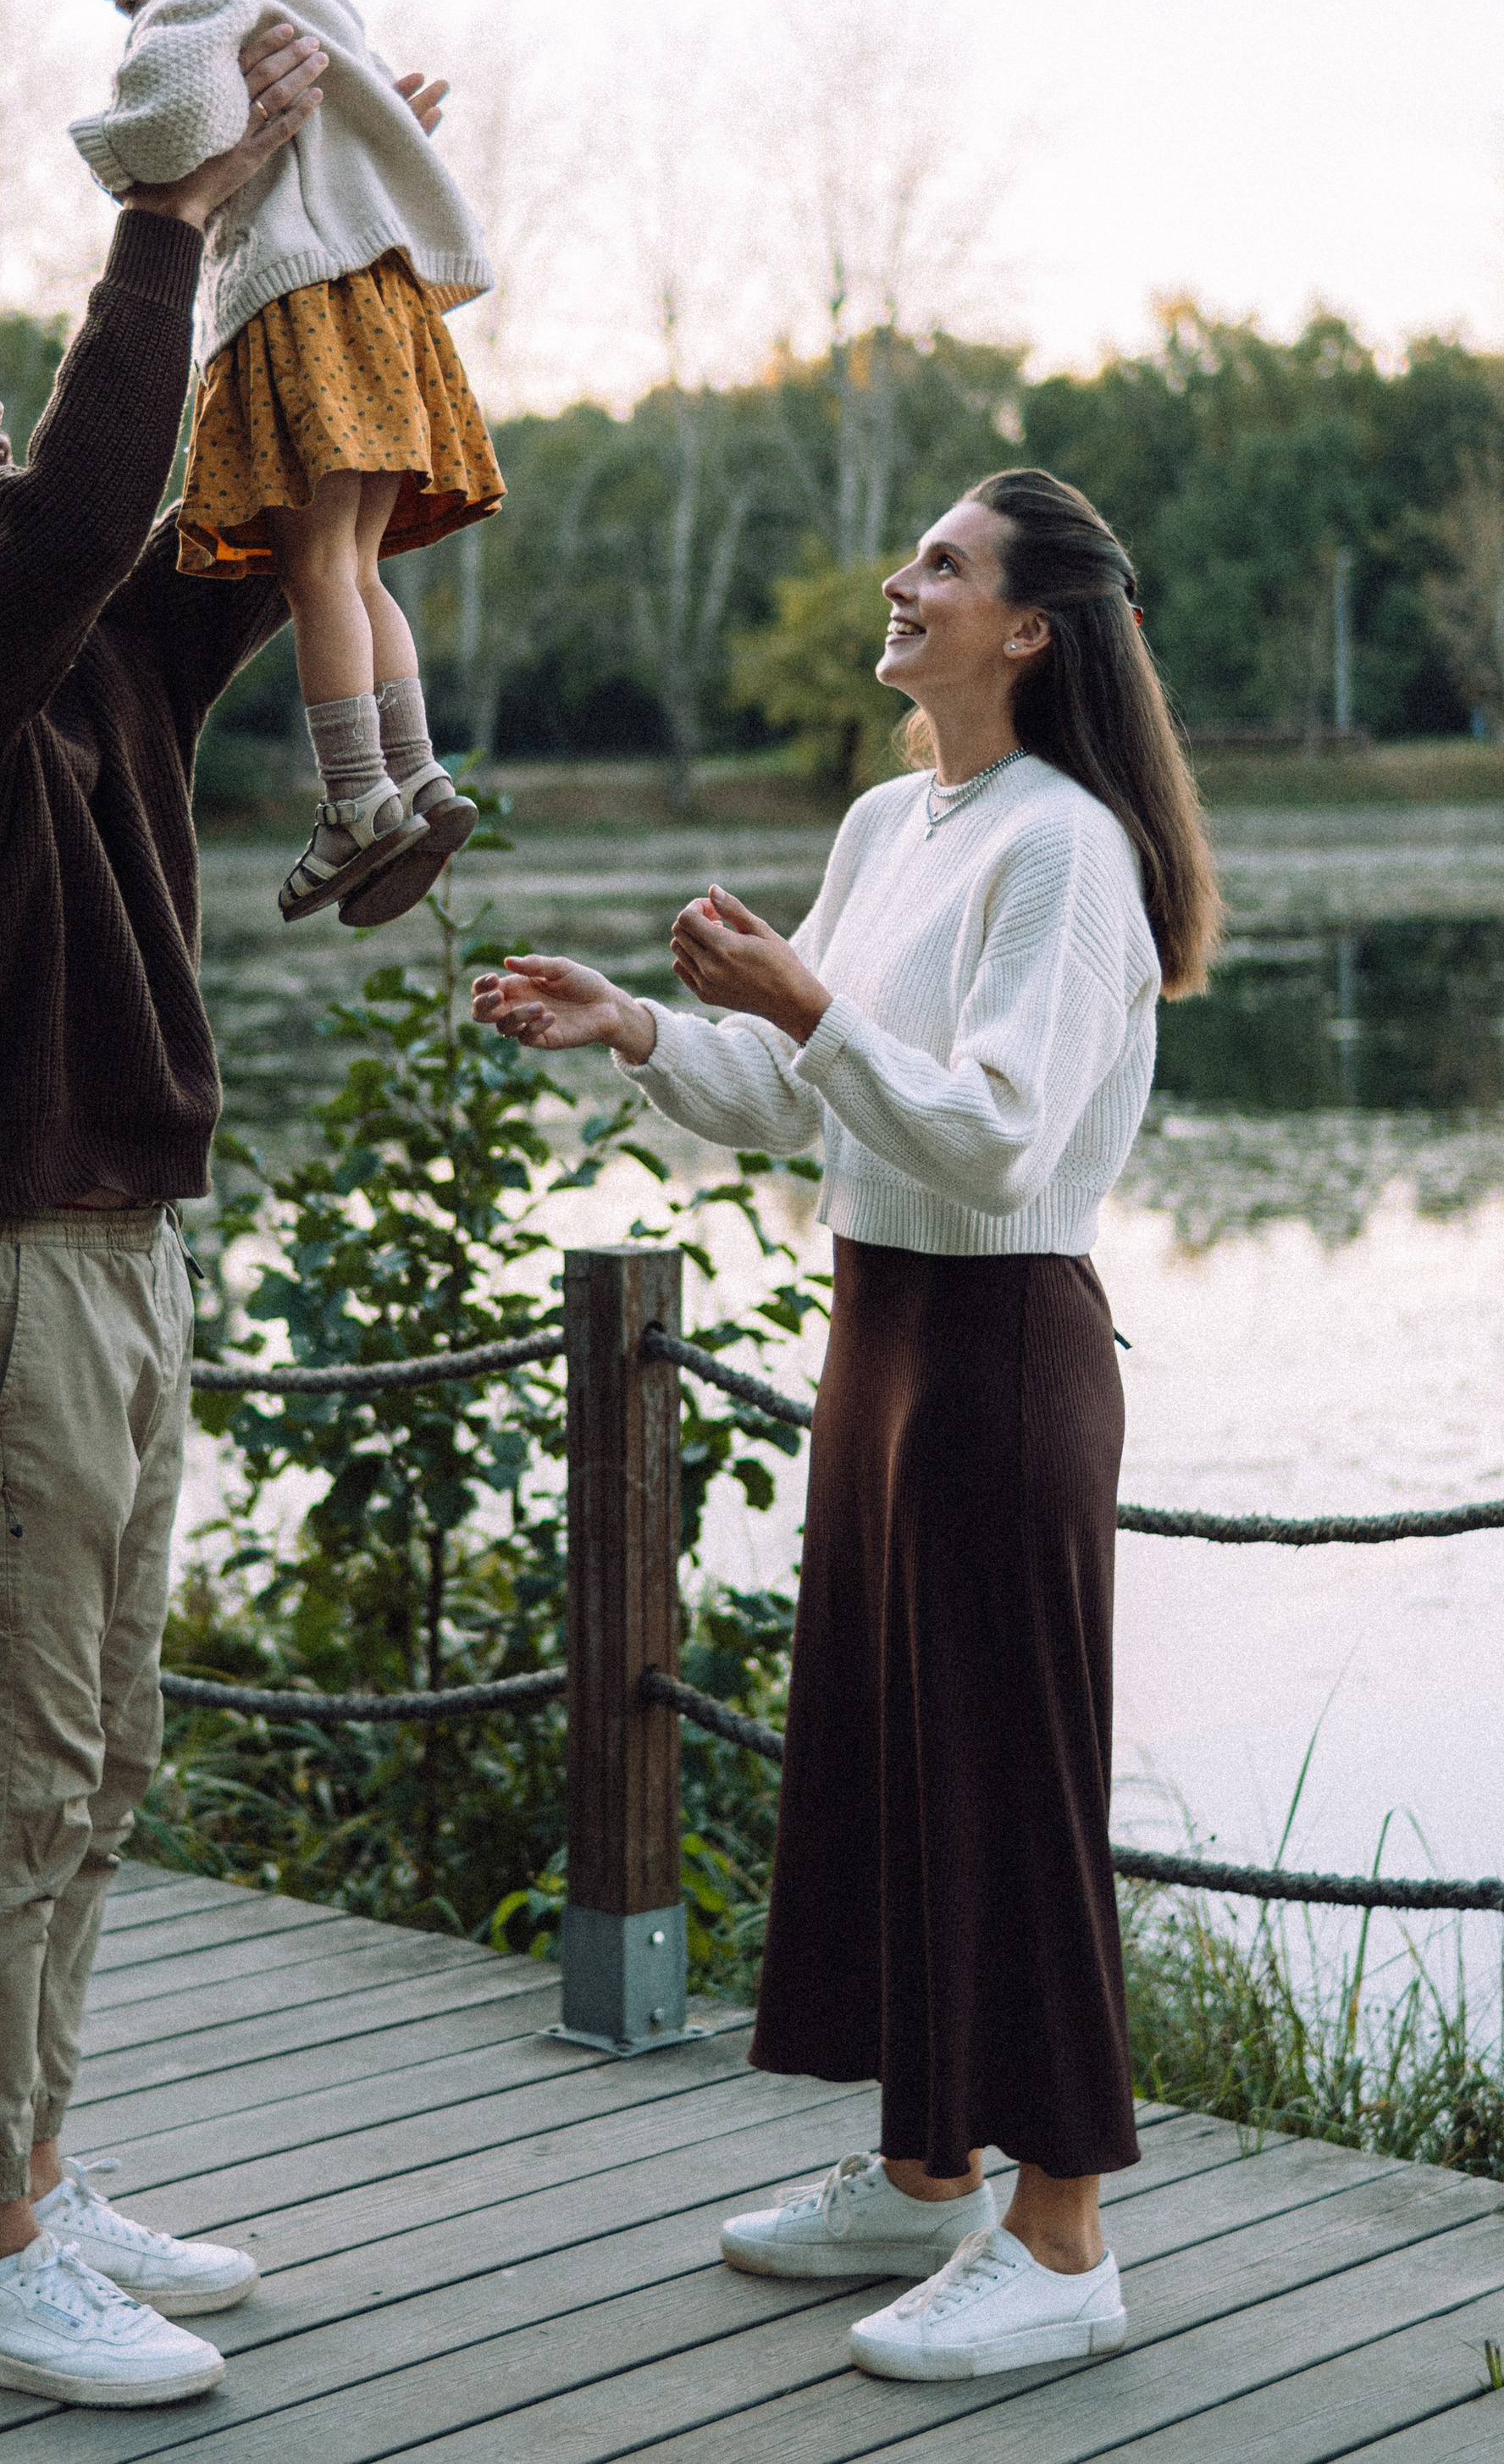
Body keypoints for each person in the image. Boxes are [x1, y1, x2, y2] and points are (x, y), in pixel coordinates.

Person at [0, 17, 399, 2412]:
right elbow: (82, 501)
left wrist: (336, 211)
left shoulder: (78, 643)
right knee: (12, 1780)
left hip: (123, 1253)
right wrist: (164, 208)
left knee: (103, 1761)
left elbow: (239, 507)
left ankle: (36, 2162)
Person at [473, 469, 1221, 2387]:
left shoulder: (1067, 848)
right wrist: (640, 1026)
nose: (901, 580)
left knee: (1012, 1788)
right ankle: (922, 2171)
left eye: (942, 564)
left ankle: (1062, 2239)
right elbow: (803, 1094)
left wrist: (806, 1003)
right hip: (879, 1334)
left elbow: (997, 1136)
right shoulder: (896, 820)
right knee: (893, 1760)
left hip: (1000, 1347)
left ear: (1029, 627)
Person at [69, 0, 503, 930]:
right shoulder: (316, 2)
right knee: (356, 565)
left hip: (294, 305)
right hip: (381, 312)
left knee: (313, 570)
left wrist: (113, 153)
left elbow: (175, 118)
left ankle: (356, 800)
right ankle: (418, 776)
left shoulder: (196, 5)